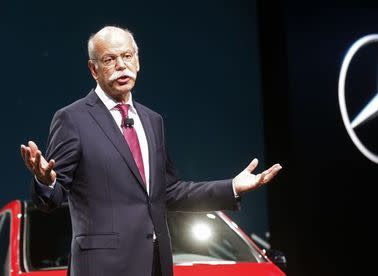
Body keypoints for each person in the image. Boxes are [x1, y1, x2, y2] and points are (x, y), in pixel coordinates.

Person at [20, 26, 282, 276]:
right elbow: (51, 199)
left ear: (138, 61)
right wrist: (46, 181)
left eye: (127, 56)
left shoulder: (152, 120)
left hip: (156, 263)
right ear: (93, 69)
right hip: (103, 267)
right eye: (110, 59)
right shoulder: (72, 119)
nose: (121, 65)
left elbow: (169, 192)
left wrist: (232, 186)